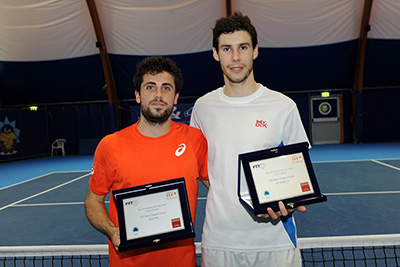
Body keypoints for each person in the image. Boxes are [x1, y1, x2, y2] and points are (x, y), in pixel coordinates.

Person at [190, 12, 309, 267]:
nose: (235, 58)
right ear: (215, 53)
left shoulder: (282, 106)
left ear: (255, 51)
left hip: (275, 242)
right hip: (219, 242)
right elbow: (203, 171)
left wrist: (286, 200)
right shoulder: (202, 108)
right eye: (226, 49)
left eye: (242, 48)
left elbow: (298, 171)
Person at [84, 56, 208, 267]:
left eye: (166, 88)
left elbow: (219, 188)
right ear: (138, 95)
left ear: (176, 97)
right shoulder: (111, 145)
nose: (158, 95)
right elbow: (92, 201)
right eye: (150, 87)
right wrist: (113, 231)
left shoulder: (195, 140)